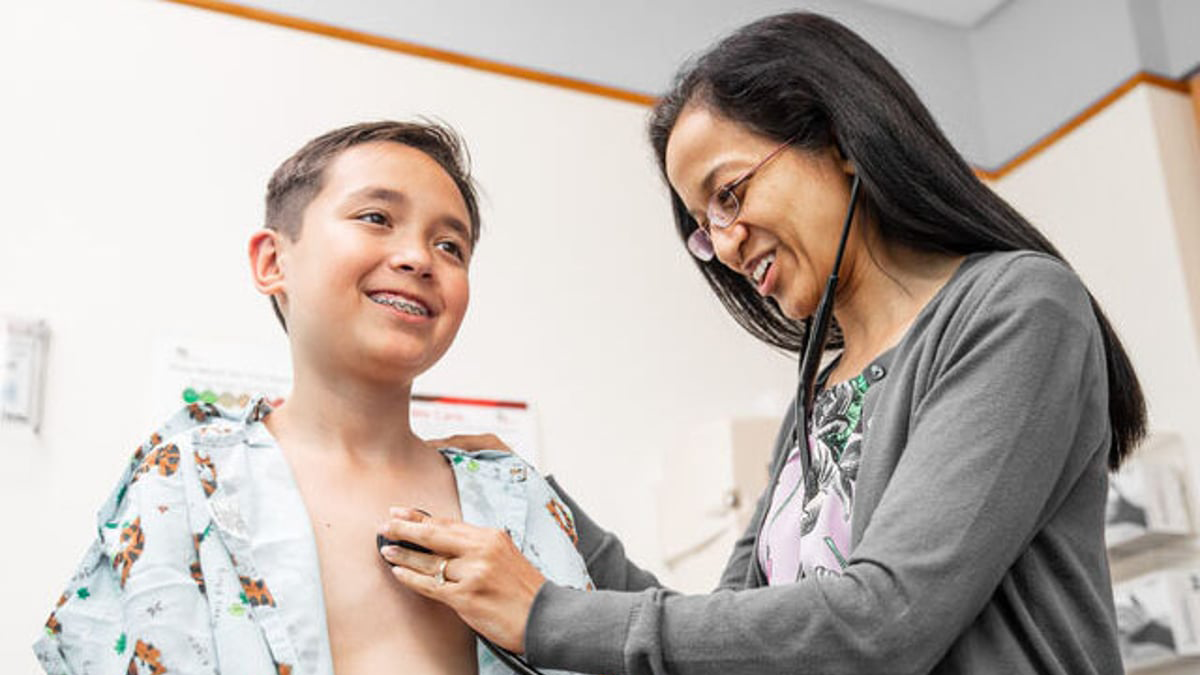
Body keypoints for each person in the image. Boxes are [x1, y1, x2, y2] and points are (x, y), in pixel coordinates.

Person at [378, 12, 1147, 675]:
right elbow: (732, 629)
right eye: (704, 226)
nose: (727, 241)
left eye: (729, 194)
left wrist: (544, 615)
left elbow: (886, 620)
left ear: (840, 139)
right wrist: (544, 500)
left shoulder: (1018, 306)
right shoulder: (817, 395)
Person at [34, 121, 592, 675]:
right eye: (376, 218)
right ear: (273, 262)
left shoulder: (516, 499)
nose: (419, 258)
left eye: (450, 246)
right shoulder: (183, 480)